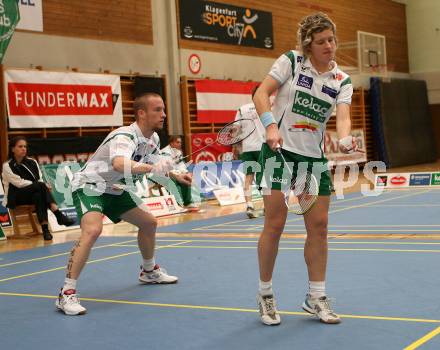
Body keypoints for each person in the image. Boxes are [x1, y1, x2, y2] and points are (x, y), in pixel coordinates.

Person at [253, 13, 358, 325]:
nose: (329, 46)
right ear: (309, 44)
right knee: (275, 224)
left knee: (320, 227)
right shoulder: (292, 62)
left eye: (332, 40)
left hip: (312, 161)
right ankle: (266, 294)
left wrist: (345, 137)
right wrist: (270, 127)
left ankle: (316, 296)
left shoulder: (342, 80)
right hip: (278, 152)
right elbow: (261, 93)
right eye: (322, 41)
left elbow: (343, 116)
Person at [55, 92, 192, 316]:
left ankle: (148, 271)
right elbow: (120, 164)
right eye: (158, 109)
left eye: (163, 109)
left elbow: (155, 166)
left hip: (116, 189)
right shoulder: (124, 136)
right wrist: (151, 168)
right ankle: (67, 292)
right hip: (91, 186)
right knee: (92, 230)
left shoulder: (153, 140)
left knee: (149, 223)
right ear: (141, 113)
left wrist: (175, 175)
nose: (164, 114)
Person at [1, 136, 75, 241]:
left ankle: (45, 230)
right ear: (13, 149)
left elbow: (39, 178)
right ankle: (58, 214)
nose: (23, 149)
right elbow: (19, 183)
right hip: (15, 196)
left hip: (33, 194)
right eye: (20, 146)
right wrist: (41, 185)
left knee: (38, 195)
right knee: (40, 186)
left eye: (25, 146)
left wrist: (41, 185)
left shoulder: (32, 162)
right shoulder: (7, 166)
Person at [233, 85, 266, 218]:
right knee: (264, 178)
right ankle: (265, 206)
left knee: (248, 178)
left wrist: (235, 147)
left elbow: (236, 130)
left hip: (248, 148)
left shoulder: (242, 109)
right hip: (262, 147)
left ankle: (249, 205)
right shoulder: (266, 108)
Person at [160, 135, 201, 211]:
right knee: (174, 180)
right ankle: (177, 204)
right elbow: (167, 168)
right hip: (164, 174)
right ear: (171, 143)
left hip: (176, 173)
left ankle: (187, 202)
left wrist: (186, 173)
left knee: (186, 178)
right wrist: (178, 174)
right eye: (177, 142)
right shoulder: (164, 152)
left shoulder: (178, 152)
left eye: (180, 142)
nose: (180, 144)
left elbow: (181, 165)